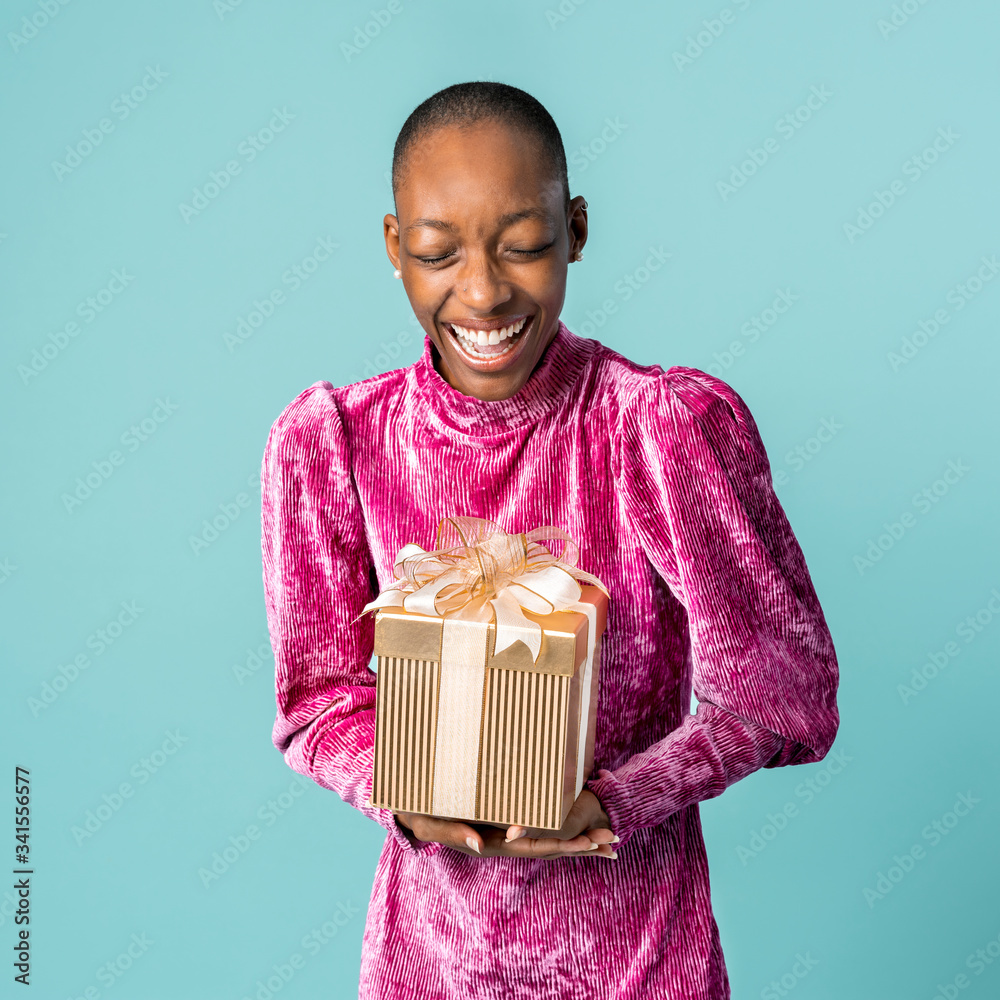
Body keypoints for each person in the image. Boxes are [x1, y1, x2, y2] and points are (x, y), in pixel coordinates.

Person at [260, 81, 840, 1000]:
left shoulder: (657, 429)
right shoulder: (336, 443)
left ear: (575, 228)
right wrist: (406, 793)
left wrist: (614, 802)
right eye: (438, 251)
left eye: (524, 245)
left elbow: (786, 694)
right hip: (427, 964)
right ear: (393, 247)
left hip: (638, 960)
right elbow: (316, 702)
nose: (483, 290)